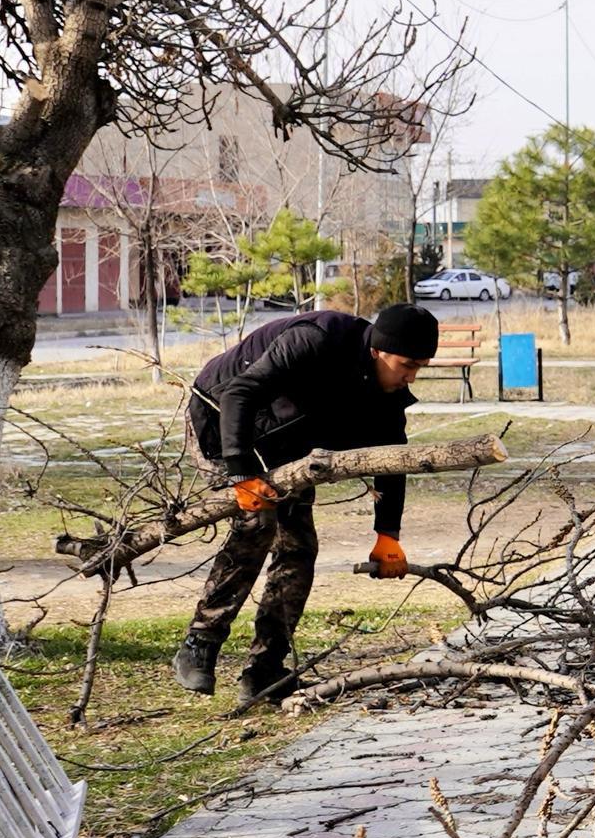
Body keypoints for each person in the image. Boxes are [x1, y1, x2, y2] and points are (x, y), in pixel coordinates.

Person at [175, 300, 438, 707]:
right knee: (256, 525)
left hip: (281, 443)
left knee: (298, 547)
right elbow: (239, 394)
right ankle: (200, 642)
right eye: (406, 364)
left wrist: (388, 535)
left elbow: (392, 456)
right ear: (377, 350)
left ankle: (265, 670)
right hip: (219, 418)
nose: (411, 376)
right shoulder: (316, 340)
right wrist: (242, 474)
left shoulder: (386, 390)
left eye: (420, 367)